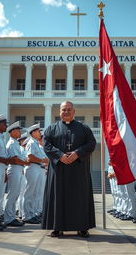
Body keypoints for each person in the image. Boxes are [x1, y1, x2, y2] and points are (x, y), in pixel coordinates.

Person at [42, 101, 96, 238]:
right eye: (63, 110)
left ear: (74, 111)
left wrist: (77, 153)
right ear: (59, 112)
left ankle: (82, 227)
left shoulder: (83, 128)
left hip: (78, 170)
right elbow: (46, 145)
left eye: (68, 109)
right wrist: (60, 156)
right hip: (58, 170)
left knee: (79, 198)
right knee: (57, 197)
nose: (66, 112)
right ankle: (56, 227)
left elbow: (91, 143)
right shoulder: (51, 129)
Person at [4, 121, 28, 227]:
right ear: (12, 132)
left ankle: (11, 216)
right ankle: (8, 218)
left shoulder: (15, 144)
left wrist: (23, 162)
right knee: (12, 194)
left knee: (15, 195)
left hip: (18, 169)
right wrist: (25, 162)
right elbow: (15, 159)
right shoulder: (11, 144)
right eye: (18, 130)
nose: (19, 132)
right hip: (14, 169)